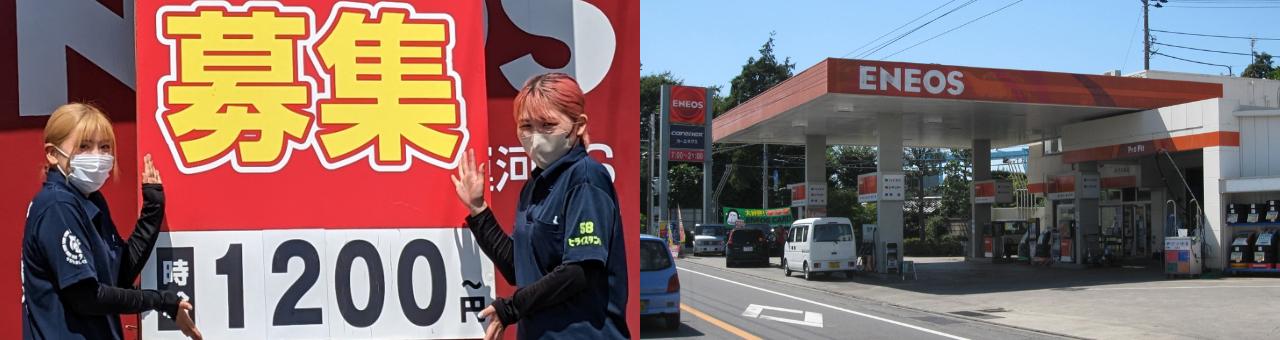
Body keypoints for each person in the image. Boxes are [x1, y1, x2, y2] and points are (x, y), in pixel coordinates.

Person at [451, 73, 628, 339]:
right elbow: (519, 268)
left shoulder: (586, 178)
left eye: (547, 125)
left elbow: (579, 272)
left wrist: (512, 307)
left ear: (578, 125)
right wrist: (479, 210)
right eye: (526, 126)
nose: (535, 137)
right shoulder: (534, 186)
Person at [21, 103, 201, 340]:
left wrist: (152, 209)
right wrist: (160, 300)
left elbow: (119, 275)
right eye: (84, 147)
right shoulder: (58, 206)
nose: (98, 156)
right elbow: (85, 297)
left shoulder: (88, 200)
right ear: (53, 154)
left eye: (104, 147)